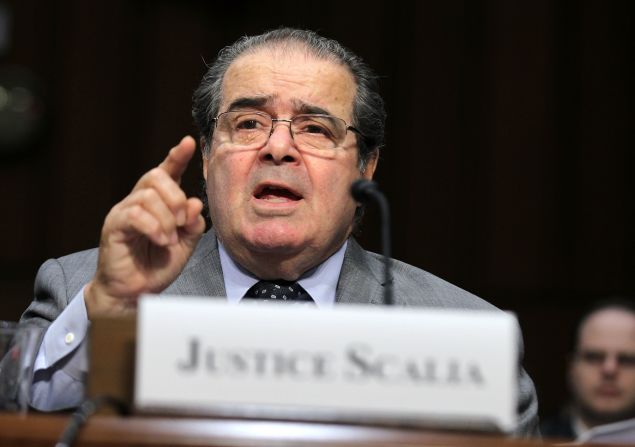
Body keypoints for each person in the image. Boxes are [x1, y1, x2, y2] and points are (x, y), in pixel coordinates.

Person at [19, 28, 538, 435]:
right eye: (247, 124)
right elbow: (18, 415)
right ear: (207, 156)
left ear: (365, 167)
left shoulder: (463, 330)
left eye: (315, 129)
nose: (278, 148)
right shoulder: (82, 291)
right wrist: (107, 309)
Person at [541, 299, 635, 440]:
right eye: (594, 357)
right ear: (572, 368)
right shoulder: (533, 440)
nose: (609, 370)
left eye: (626, 360)